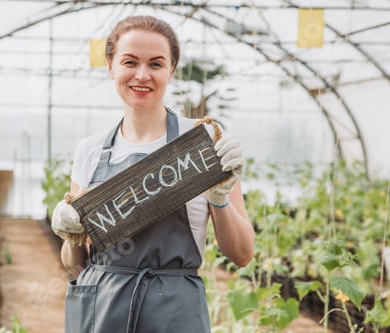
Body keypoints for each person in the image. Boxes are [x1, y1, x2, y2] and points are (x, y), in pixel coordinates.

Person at [51, 15, 255, 333]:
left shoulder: (201, 144)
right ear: (110, 66)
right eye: (130, 62)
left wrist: (220, 198)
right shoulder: (90, 152)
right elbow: (75, 263)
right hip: (102, 310)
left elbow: (242, 254)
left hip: (173, 312)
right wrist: (71, 232)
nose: (142, 75)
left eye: (156, 64)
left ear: (171, 70)